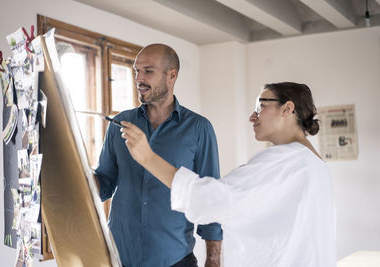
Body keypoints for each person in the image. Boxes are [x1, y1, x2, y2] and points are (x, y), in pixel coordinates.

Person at [121, 82, 337, 267]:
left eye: (261, 106)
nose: (253, 116)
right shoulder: (315, 164)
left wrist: (148, 158)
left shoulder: (285, 160)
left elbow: (213, 199)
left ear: (287, 108)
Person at [94, 43, 223, 267]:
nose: (139, 78)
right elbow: (104, 183)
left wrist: (213, 259)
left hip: (174, 259)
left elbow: (209, 197)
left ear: (171, 75)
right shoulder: (119, 124)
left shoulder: (199, 128)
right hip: (119, 258)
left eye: (148, 71)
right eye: (136, 71)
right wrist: (75, 173)